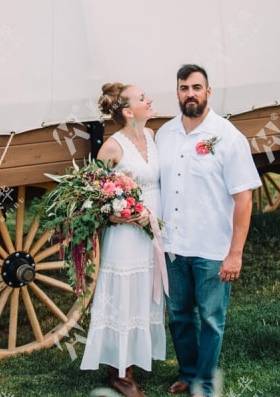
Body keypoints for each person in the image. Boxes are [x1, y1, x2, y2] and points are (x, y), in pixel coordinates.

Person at [155, 64, 261, 397]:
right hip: (174, 246)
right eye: (184, 88)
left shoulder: (227, 137)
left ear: (208, 92)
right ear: (177, 92)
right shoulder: (165, 135)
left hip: (212, 248)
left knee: (212, 319)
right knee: (178, 316)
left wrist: (235, 254)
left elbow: (244, 198)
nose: (190, 94)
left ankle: (203, 382)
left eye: (197, 88)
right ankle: (187, 372)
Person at [80, 82, 167, 397]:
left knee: (144, 293)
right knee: (124, 296)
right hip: (126, 235)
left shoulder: (152, 136)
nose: (150, 99)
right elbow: (90, 197)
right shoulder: (113, 147)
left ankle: (136, 357)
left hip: (152, 234)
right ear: (129, 111)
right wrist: (117, 214)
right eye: (143, 98)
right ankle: (120, 373)